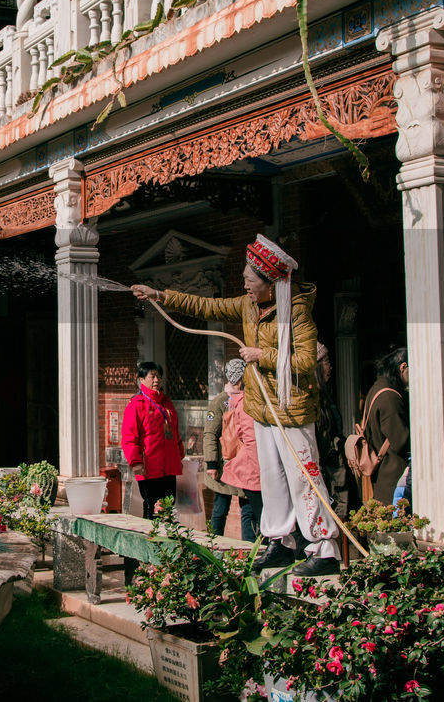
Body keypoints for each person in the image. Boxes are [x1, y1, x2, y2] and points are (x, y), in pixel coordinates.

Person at [132, 234, 340, 577]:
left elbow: (305, 361)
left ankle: (323, 547)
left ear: (271, 284)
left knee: (305, 479)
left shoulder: (298, 313)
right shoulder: (246, 305)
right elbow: (208, 307)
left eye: (250, 279)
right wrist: (161, 295)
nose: (244, 284)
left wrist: (263, 355)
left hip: (291, 412)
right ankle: (281, 541)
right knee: (272, 479)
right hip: (262, 409)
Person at [204, 359, 263, 540]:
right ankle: (213, 547)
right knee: (221, 509)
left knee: (248, 510)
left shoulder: (250, 400)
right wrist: (212, 463)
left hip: (245, 464)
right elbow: (210, 434)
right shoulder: (220, 402)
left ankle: (250, 550)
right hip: (224, 465)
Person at [121, 361, 184, 519]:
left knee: (169, 505)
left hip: (169, 465)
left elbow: (175, 432)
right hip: (149, 465)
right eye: (152, 376)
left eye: (159, 376)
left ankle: (167, 539)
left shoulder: (166, 403)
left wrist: (180, 455)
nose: (157, 380)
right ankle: (151, 539)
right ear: (141, 380)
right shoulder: (136, 404)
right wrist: (135, 462)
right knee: (152, 504)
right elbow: (129, 437)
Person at [361, 347, 409, 506]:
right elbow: (401, 441)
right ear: (403, 367)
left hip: (382, 474)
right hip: (393, 477)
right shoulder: (390, 397)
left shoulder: (376, 389)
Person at [314, 342, 349, 519]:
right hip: (328, 473)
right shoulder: (313, 400)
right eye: (326, 362)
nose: (330, 367)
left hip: (335, 469)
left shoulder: (327, 396)